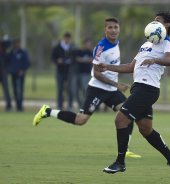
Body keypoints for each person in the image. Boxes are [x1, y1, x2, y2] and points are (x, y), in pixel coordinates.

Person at [33, 18, 141, 158]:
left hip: (111, 90)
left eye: (116, 27)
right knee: (80, 120)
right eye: (110, 27)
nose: (113, 30)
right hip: (97, 89)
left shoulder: (116, 43)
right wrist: (117, 85)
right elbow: (96, 73)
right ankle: (47, 111)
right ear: (105, 30)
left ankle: (125, 149)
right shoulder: (101, 48)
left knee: (128, 113)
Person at [100, 11, 170, 178]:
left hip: (148, 89)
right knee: (145, 129)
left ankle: (120, 163)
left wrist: (154, 60)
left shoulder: (167, 43)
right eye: (153, 20)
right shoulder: (146, 44)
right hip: (138, 88)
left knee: (120, 119)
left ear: (166, 25)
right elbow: (130, 67)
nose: (154, 22)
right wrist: (108, 67)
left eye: (158, 20)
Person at [51, 32, 75, 110]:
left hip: (69, 71)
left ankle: (70, 105)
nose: (67, 40)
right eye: (66, 38)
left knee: (70, 89)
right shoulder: (57, 47)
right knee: (60, 88)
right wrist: (57, 61)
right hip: (60, 70)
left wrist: (71, 61)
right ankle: (60, 105)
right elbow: (52, 58)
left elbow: (75, 58)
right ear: (64, 38)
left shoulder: (72, 47)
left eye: (69, 38)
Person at [7, 38, 30, 111]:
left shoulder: (23, 52)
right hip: (13, 74)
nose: (17, 45)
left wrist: (23, 70)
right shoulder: (11, 53)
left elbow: (27, 63)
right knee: (15, 90)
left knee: (20, 90)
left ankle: (20, 106)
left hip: (20, 74)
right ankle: (17, 105)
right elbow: (8, 63)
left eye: (18, 43)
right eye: (15, 43)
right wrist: (10, 71)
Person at [74, 38, 93, 108]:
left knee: (85, 89)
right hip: (78, 73)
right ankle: (80, 104)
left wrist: (82, 60)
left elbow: (92, 60)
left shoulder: (90, 52)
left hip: (86, 73)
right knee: (76, 90)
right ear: (84, 44)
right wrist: (85, 60)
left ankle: (84, 105)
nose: (89, 46)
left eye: (89, 44)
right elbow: (77, 59)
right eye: (88, 44)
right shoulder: (79, 51)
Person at [0, 36, 12, 111]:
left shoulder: (5, 51)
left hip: (3, 72)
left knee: (6, 90)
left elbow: (8, 61)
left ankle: (9, 106)